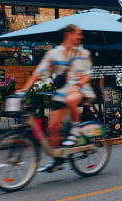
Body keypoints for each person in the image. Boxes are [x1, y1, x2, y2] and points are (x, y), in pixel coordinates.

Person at [19, 24, 95, 173]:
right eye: (78, 34)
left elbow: (88, 75)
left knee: (71, 99)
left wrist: (77, 84)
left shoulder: (83, 53)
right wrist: (25, 89)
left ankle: (75, 131)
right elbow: (38, 72)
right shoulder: (54, 54)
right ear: (69, 35)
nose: (81, 37)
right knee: (53, 128)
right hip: (61, 94)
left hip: (81, 89)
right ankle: (57, 159)